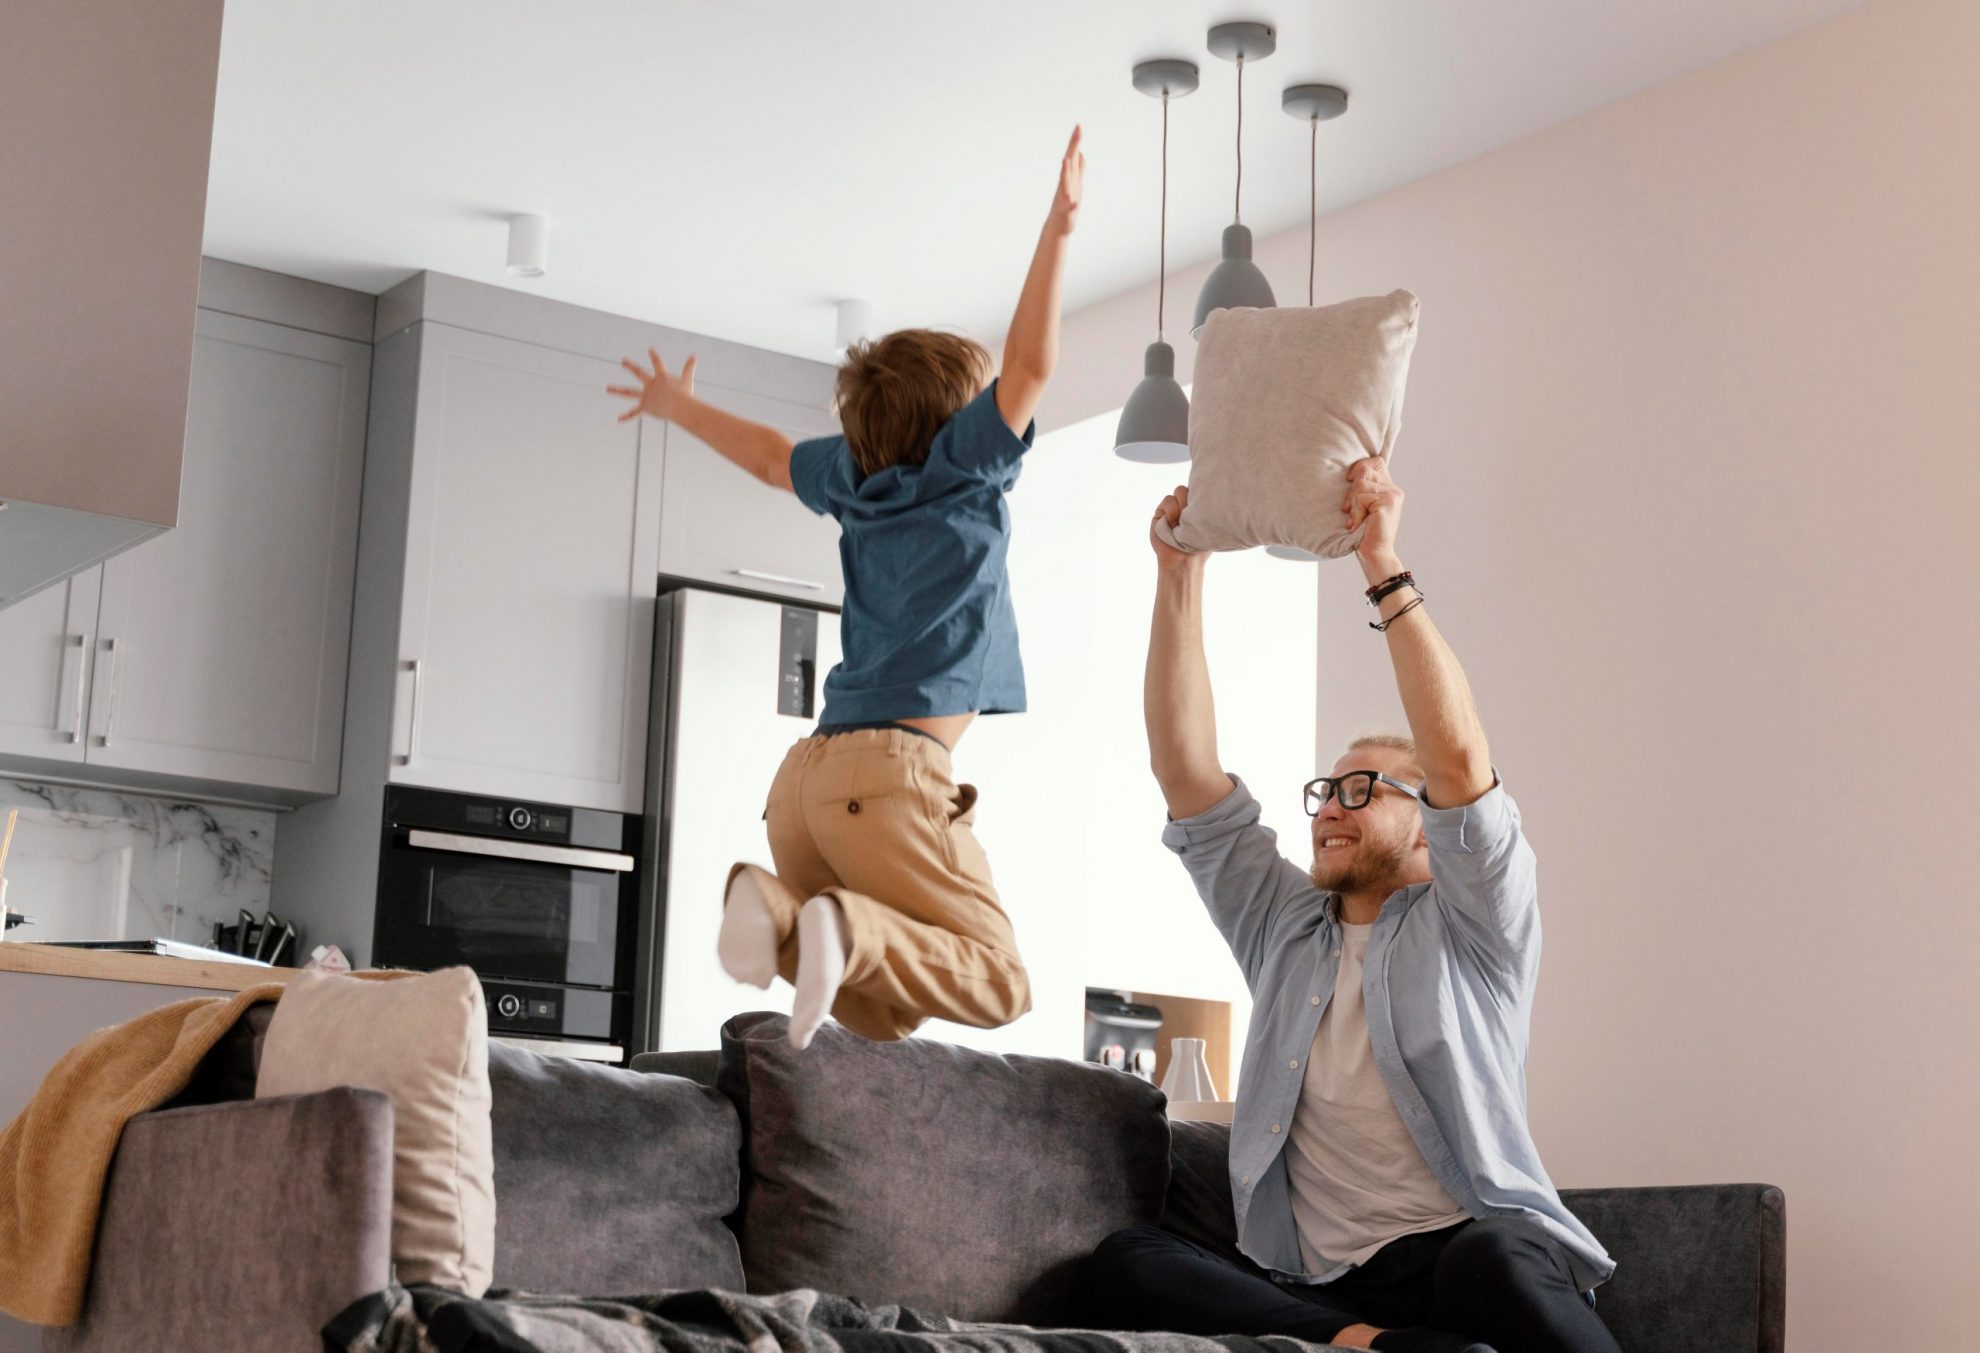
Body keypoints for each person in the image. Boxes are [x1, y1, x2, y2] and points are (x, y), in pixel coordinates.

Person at [1081, 460, 1622, 1353]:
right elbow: (1187, 774)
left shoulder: (1476, 924)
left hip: (1464, 1256)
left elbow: (1457, 755)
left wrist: (1382, 564)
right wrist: (1179, 573)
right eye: (1327, 787)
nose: (1331, 803)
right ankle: (1364, 1346)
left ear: (1427, 826)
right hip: (1322, 1282)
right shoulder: (1283, 929)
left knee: (1490, 1259)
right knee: (1126, 1261)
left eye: (1364, 786)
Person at [607, 129, 1084, 1050]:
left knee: (880, 1010)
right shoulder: (966, 470)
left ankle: (786, 916)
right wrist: (1056, 229)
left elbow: (766, 456)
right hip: (891, 783)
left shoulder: (856, 477)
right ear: (964, 419)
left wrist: (679, 407)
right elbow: (1028, 365)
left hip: (807, 787)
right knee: (998, 979)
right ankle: (824, 923)